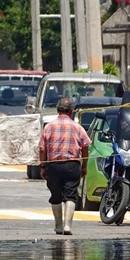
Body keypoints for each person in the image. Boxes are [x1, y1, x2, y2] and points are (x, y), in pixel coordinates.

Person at [39, 96, 91, 236]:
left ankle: (58, 226)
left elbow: (42, 149)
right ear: (71, 111)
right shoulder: (77, 127)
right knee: (71, 195)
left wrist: (43, 166)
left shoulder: (49, 127)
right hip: (72, 165)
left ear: (58, 110)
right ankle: (67, 226)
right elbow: (85, 147)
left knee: (55, 195)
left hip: (53, 166)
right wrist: (84, 166)